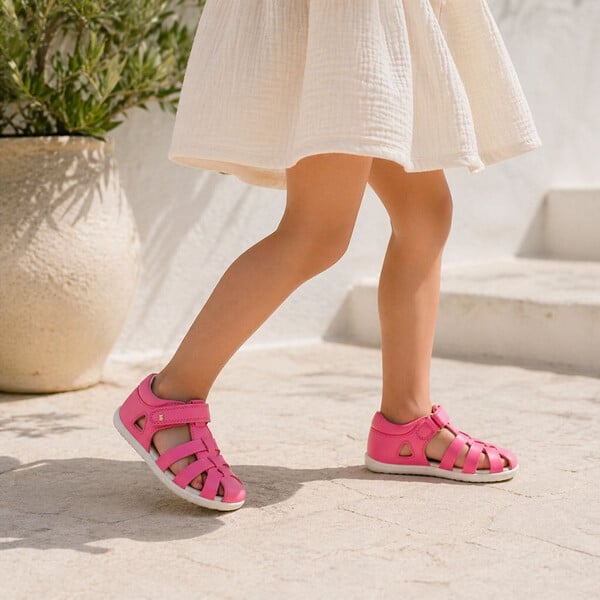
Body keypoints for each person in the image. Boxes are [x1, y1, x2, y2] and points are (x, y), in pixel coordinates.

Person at [113, 0, 542, 511]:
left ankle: (405, 422)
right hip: (345, 17)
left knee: (425, 215)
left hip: (383, 17)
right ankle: (169, 397)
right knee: (317, 232)